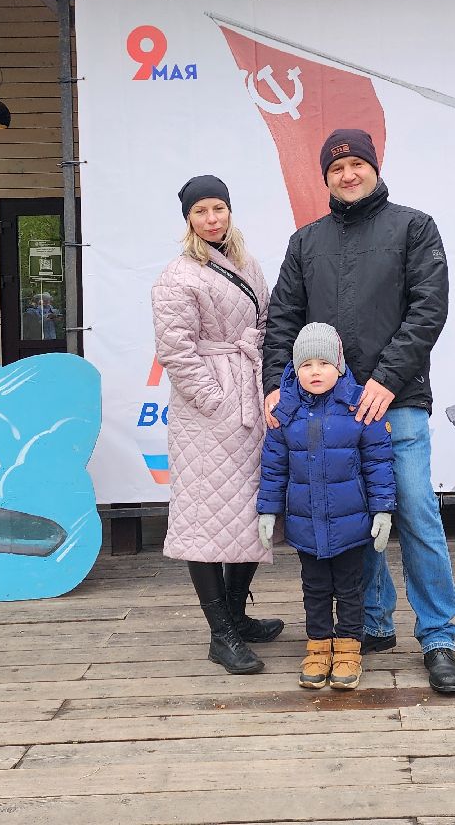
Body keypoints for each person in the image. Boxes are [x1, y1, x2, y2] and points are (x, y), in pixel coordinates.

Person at [263, 128, 455, 695]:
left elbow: (429, 309)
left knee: (416, 513)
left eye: (356, 163)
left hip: (394, 403)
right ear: (324, 178)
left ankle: (438, 638)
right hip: (326, 414)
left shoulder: (414, 227)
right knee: (353, 520)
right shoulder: (306, 243)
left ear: (374, 167)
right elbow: (283, 319)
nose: (347, 174)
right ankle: (372, 624)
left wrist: (385, 378)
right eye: (335, 168)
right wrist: (275, 383)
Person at [151, 174, 283, 676]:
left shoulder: (247, 264)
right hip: (208, 414)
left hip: (251, 398)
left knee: (254, 508)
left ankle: (234, 612)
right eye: (201, 210)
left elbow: (267, 322)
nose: (212, 218)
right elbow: (177, 352)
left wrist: (262, 383)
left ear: (230, 211)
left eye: (219, 208)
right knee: (207, 516)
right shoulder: (178, 276)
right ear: (188, 218)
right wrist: (215, 400)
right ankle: (219, 633)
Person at [257, 322, 396, 691]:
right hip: (306, 526)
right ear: (295, 369)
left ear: (339, 365)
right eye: (306, 364)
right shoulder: (284, 413)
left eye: (323, 363)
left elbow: (377, 463)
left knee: (350, 588)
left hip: (351, 526)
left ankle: (349, 648)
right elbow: (273, 467)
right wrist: (268, 510)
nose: (314, 371)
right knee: (315, 588)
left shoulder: (358, 407)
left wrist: (383, 509)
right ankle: (318, 647)